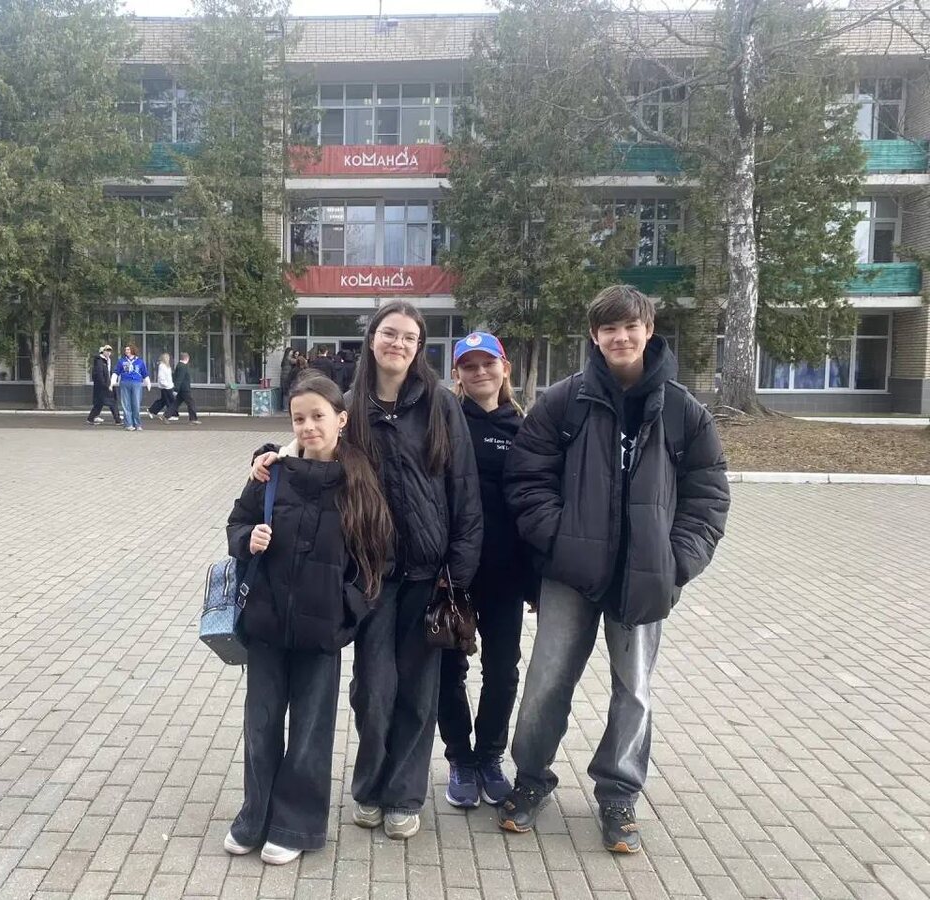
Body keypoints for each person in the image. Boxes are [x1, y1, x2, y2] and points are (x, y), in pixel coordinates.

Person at [499, 285, 730, 852]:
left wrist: (676, 562)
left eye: (630, 327)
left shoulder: (683, 411)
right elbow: (527, 479)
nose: (620, 337)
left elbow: (708, 497)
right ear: (594, 336)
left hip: (645, 576)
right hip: (570, 574)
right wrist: (560, 543)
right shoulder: (564, 402)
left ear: (649, 330)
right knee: (547, 682)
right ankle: (531, 779)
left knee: (635, 691)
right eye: (609, 329)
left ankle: (619, 792)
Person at [252, 300, 483, 840]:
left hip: (430, 573)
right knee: (373, 690)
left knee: (418, 692)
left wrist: (458, 569)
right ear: (373, 339)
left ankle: (404, 795)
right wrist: (272, 455)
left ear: (419, 346)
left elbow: (464, 488)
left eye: (408, 336)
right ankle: (370, 786)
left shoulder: (441, 406)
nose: (397, 343)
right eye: (388, 333)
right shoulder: (351, 405)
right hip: (371, 571)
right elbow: (314, 444)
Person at [224, 373, 392, 866]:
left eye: (319, 416)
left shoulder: (359, 480)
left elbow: (378, 557)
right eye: (299, 418)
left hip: (322, 631)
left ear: (342, 419)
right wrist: (247, 540)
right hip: (267, 624)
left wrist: (347, 610)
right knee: (261, 725)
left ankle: (295, 824)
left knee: (311, 731)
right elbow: (236, 522)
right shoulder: (272, 472)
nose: (309, 426)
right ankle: (255, 815)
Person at [438, 332, 531, 810]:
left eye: (487, 363)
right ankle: (460, 759)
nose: (479, 372)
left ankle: (490, 756)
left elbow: (537, 500)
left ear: (504, 368)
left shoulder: (525, 427)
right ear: (456, 373)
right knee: (447, 667)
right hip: (453, 570)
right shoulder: (444, 421)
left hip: (504, 572)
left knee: (502, 669)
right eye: (468, 365)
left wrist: (537, 578)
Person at [114, 344, 151, 431]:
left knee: (136, 404)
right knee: (126, 404)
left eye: (128, 349)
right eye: (126, 350)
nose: (126, 351)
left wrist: (148, 383)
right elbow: (116, 372)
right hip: (124, 383)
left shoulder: (140, 362)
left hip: (136, 383)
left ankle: (137, 424)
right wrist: (113, 381)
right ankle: (128, 424)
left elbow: (145, 374)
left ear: (133, 350)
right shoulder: (121, 361)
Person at [87, 345, 120, 425]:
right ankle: (118, 420)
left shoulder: (107, 360)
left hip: (107, 384)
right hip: (103, 386)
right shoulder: (99, 361)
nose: (108, 353)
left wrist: (111, 382)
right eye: (107, 351)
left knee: (100, 403)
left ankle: (91, 418)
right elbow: (99, 374)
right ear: (103, 352)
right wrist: (105, 385)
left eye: (110, 351)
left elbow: (109, 373)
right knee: (112, 402)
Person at [166, 351, 200, 423]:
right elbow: (180, 378)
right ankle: (193, 419)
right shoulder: (183, 366)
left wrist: (176, 389)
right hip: (184, 389)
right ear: (187, 358)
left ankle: (166, 415)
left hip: (181, 389)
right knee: (191, 403)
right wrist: (176, 389)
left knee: (176, 403)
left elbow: (176, 377)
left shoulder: (179, 365)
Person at [149, 352, 175, 420]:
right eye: (168, 358)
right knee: (170, 401)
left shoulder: (167, 366)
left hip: (168, 386)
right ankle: (170, 414)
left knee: (163, 401)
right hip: (166, 387)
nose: (169, 359)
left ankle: (152, 410)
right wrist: (165, 384)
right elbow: (161, 377)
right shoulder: (162, 366)